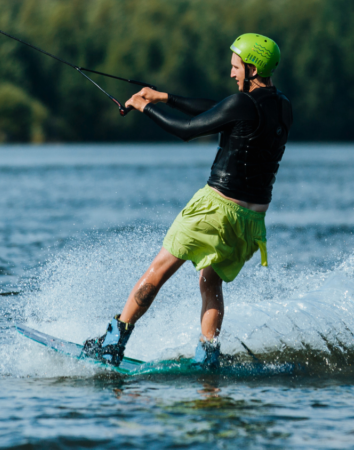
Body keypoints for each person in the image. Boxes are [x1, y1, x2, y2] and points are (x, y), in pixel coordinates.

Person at [81, 33, 292, 368]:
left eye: (236, 67)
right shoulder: (282, 106)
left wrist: (144, 106)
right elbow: (219, 108)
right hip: (251, 222)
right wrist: (164, 96)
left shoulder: (242, 104)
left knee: (157, 271)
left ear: (252, 69)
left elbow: (187, 130)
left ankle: (112, 342)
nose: (231, 73)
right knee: (210, 281)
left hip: (215, 209)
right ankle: (208, 354)